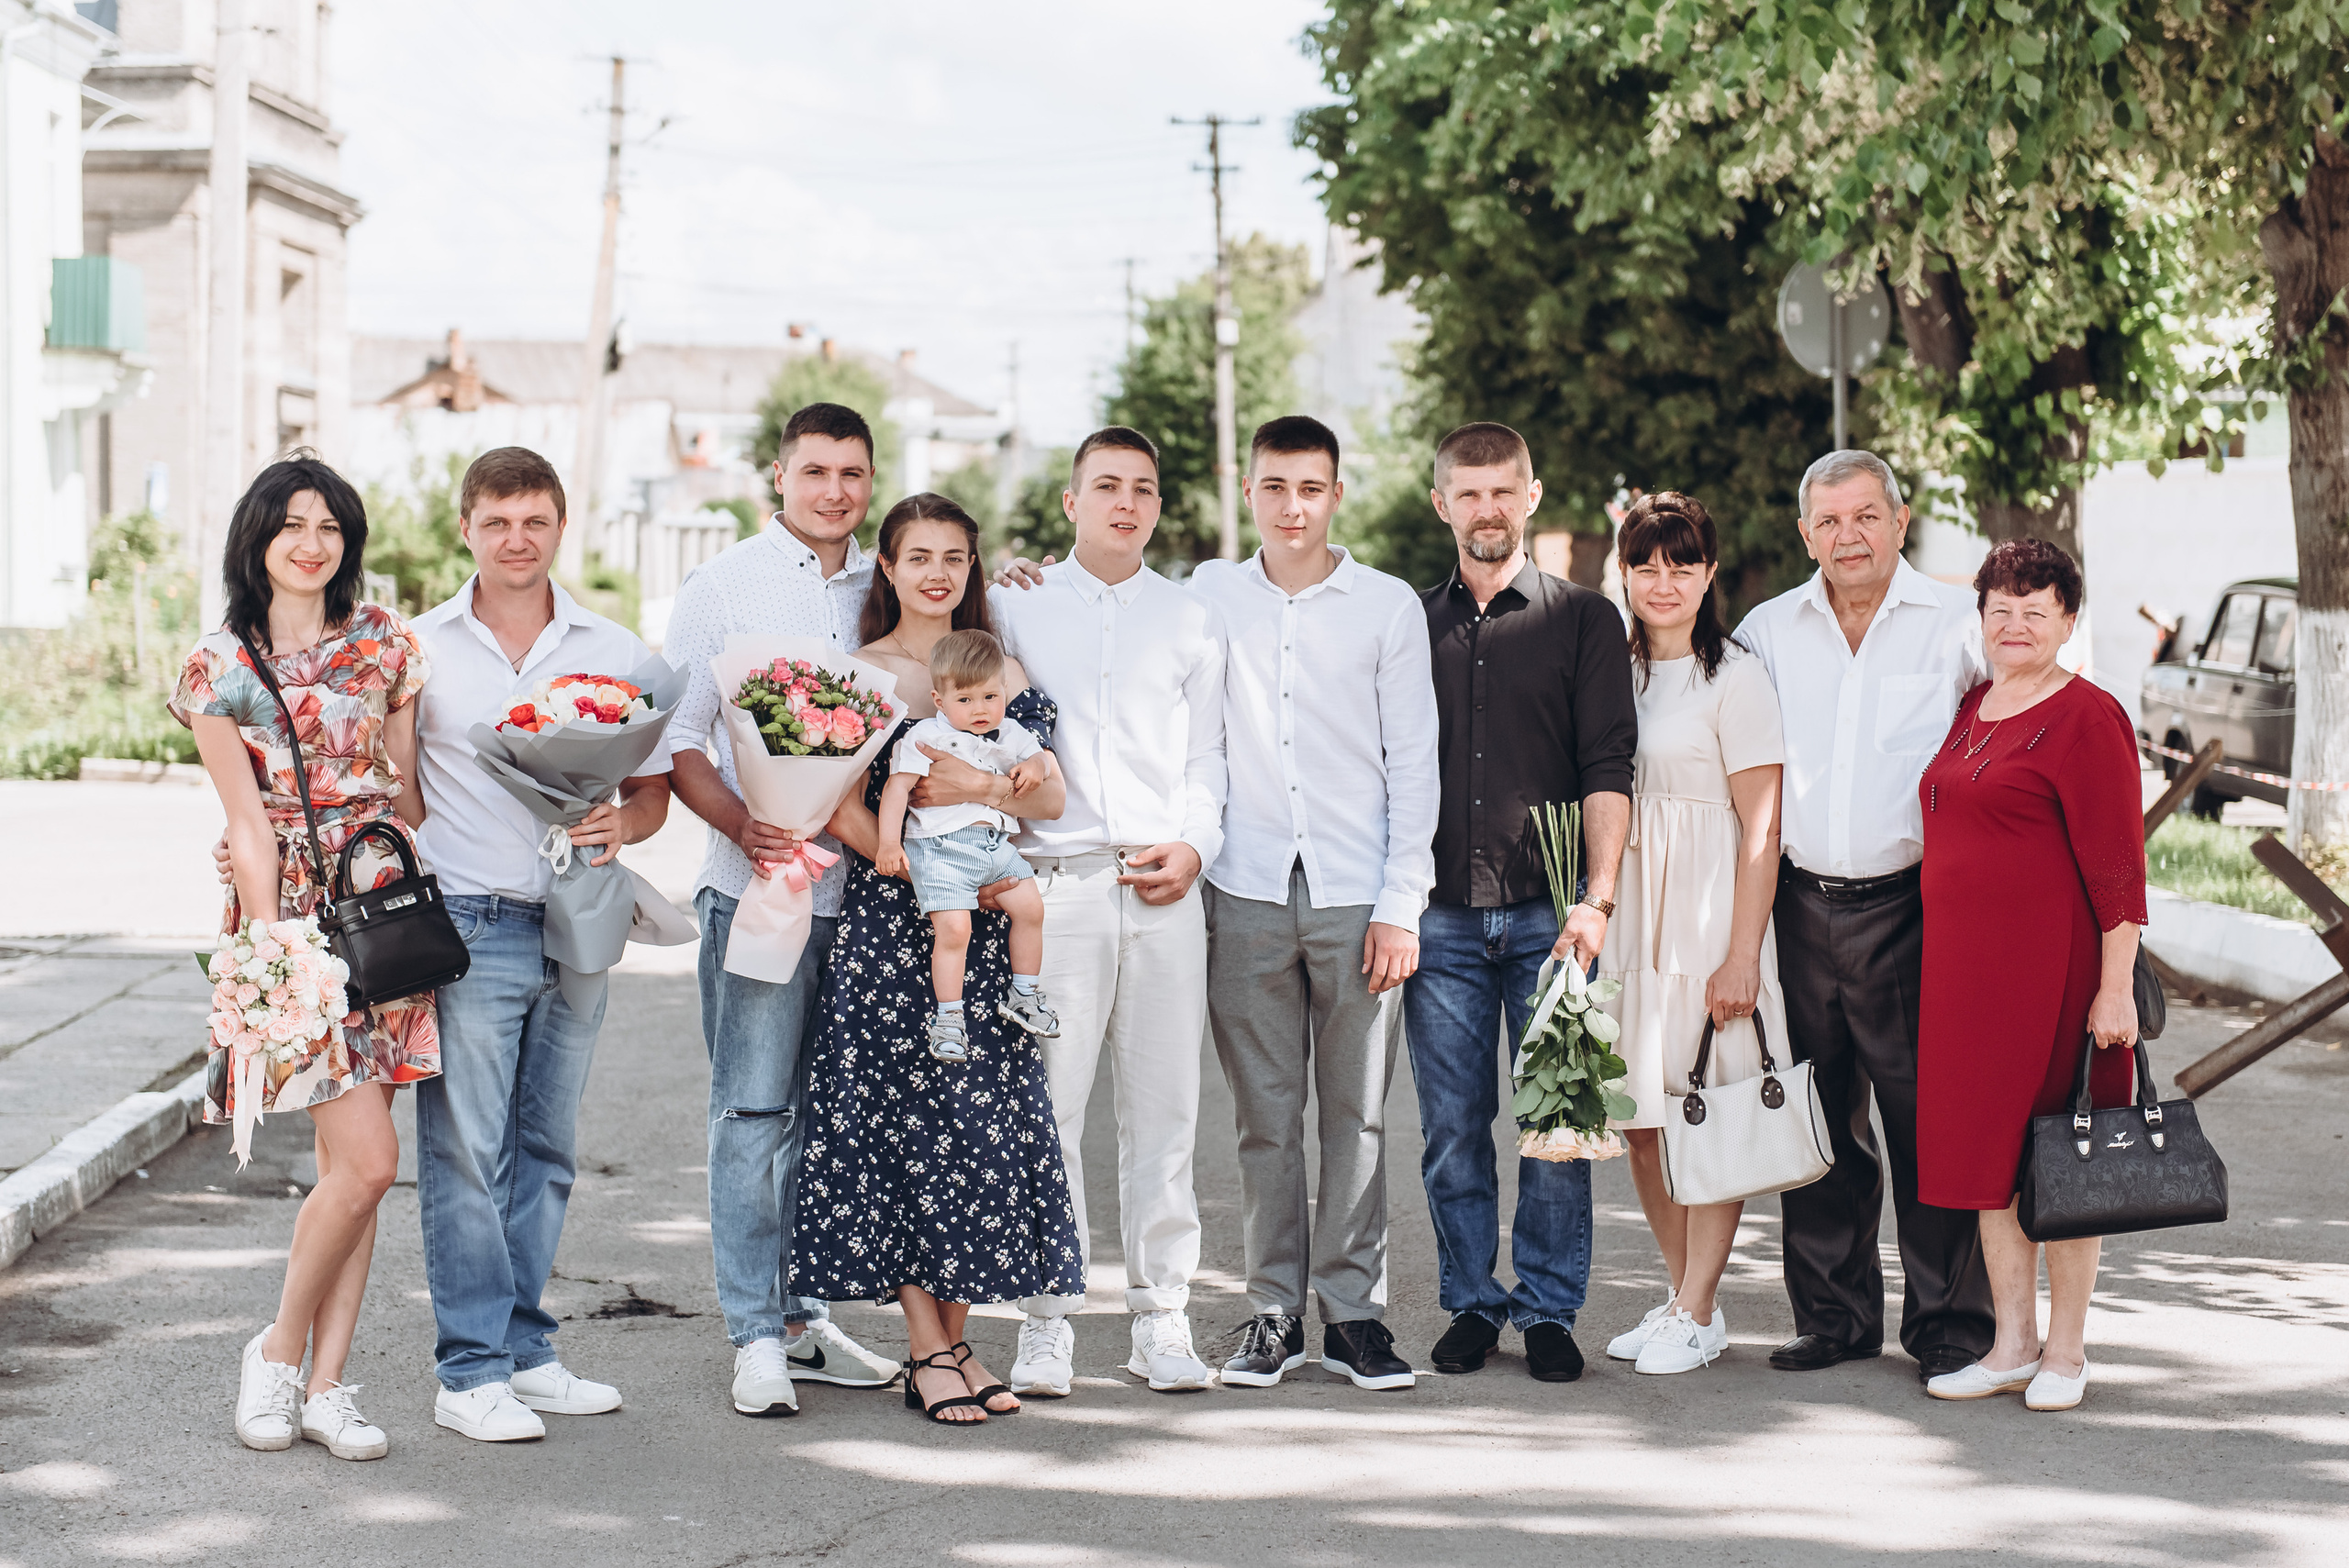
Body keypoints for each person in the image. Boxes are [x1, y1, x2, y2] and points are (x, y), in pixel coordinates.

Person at [393, 447, 674, 1442]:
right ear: (465, 528)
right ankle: (468, 1371)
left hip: (578, 920)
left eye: (535, 521)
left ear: (561, 525)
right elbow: (396, 791)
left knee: (546, 1148)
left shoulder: (614, 646)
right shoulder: (418, 648)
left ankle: (523, 1351)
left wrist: (622, 825)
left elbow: (652, 791)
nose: (517, 539)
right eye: (498, 521)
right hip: (469, 922)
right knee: (468, 1151)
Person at [795, 492, 1085, 1425]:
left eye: (954, 556)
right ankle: (929, 1347)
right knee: (902, 1132)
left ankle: (955, 1342)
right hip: (893, 924)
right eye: (918, 555)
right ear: (886, 566)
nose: (937, 573)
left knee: (974, 1130)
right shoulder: (857, 673)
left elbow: (1048, 801)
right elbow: (833, 803)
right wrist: (924, 867)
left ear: (972, 566)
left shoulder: (1002, 669)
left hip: (988, 922)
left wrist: (981, 796)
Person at [174, 452, 438, 1462]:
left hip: (381, 903)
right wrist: (270, 947)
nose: (311, 541)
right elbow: (245, 821)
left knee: (351, 1171)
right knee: (371, 1162)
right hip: (289, 920)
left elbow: (408, 794)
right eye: (291, 523)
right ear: (257, 537)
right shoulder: (217, 667)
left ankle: (326, 1386)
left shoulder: (387, 643)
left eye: (329, 525)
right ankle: (278, 1352)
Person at [1733, 448, 1996, 1382]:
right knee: (1817, 1119)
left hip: (1918, 909)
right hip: (1800, 906)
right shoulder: (1766, 631)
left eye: (1866, 516)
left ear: (1900, 519)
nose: (1849, 536)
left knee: (1929, 1121)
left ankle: (1949, 1324)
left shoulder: (1958, 625)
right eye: (1830, 521)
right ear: (1805, 532)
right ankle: (1834, 1317)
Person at [663, 403, 905, 1415]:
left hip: (868, 901)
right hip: (754, 890)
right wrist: (747, 824)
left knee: (827, 1119)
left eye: (852, 473)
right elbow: (677, 740)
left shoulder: (891, 585)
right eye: (816, 470)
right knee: (753, 1111)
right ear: (779, 476)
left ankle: (804, 1317)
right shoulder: (723, 586)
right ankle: (756, 1333)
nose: (834, 491)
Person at [1188, 415, 1438, 1392]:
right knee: (1265, 1117)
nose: (1292, 506)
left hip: (1357, 894)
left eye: (1310, 487)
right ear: (1247, 488)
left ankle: (1354, 1314)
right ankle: (1272, 1312)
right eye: (1274, 486)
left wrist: (1401, 901)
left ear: (1337, 493)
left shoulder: (1385, 606)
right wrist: (1026, 583)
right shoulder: (1209, 594)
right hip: (1245, 885)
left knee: (1357, 1116)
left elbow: (1413, 761)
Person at [987, 427, 1229, 1396]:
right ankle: (1046, 1319)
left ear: (1158, 505)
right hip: (1057, 885)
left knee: (1166, 1109)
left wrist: (1196, 845)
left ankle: (1161, 1315)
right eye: (1106, 485)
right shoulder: (1013, 604)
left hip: (1163, 882)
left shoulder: (1190, 616)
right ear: (1071, 501)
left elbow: (1209, 756)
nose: (1125, 503)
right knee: (1050, 1105)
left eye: (1142, 488)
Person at [1406, 421, 1635, 1385]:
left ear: (1530, 497)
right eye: (1468, 492)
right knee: (1453, 1129)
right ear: (1442, 504)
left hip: (1552, 917)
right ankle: (1471, 1300)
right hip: (1439, 920)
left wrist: (1597, 898)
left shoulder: (1585, 620)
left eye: (1503, 489)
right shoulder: (1408, 623)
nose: (1487, 508)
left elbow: (1608, 765)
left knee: (1555, 1129)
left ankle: (1547, 1308)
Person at [1918, 539, 2145, 1414]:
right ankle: (2011, 1344)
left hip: (2052, 977)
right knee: (1992, 1161)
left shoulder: (2088, 717)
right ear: (1981, 617)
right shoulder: (1975, 703)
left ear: (2068, 620)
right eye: (2001, 610)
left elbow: (2119, 868)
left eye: (2035, 611)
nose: (2015, 626)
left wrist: (2115, 987)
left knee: (2063, 1162)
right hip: (1965, 979)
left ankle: (2067, 1350)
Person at [1593, 493, 1788, 1376]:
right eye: (1646, 565)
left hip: (1709, 915)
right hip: (1633, 913)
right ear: (1625, 573)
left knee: (1707, 1115)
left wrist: (1742, 953)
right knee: (1640, 1115)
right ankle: (1683, 1301)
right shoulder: (1613, 670)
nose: (1663, 582)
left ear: (1710, 574)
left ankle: (1700, 1302)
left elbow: (1762, 828)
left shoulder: (1736, 677)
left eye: (1682, 564)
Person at [875, 628, 1058, 1062]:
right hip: (941, 849)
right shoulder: (926, 737)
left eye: (990, 697)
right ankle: (948, 1019)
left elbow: (1044, 759)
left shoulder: (1011, 732)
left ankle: (1024, 993)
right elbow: (896, 789)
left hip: (994, 846)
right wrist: (888, 843)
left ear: (1004, 691)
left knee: (1031, 908)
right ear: (939, 701)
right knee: (955, 931)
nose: (980, 710)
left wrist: (1036, 764)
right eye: (965, 700)